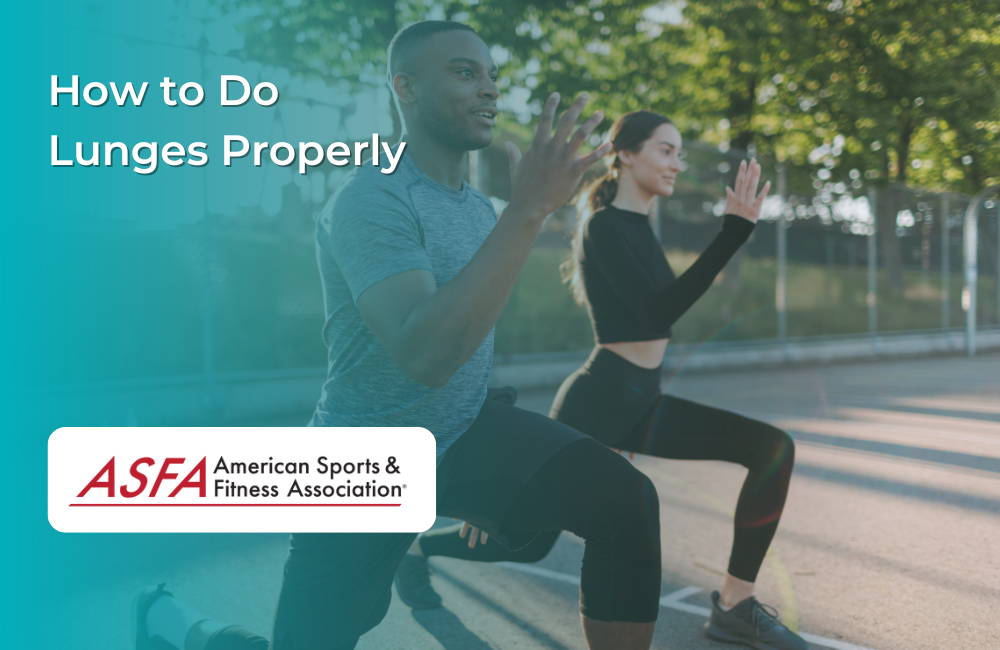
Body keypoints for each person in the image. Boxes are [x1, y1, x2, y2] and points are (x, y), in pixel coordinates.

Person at [131, 22, 666, 650]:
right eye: (465, 73)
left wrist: (494, 481)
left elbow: (468, 339)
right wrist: (529, 210)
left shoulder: (475, 208)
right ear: (404, 87)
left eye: (492, 75)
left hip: (460, 435)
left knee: (626, 502)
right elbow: (425, 353)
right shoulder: (369, 198)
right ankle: (175, 626)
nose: (489, 88)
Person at [396, 111, 808, 650]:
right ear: (626, 154)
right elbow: (657, 313)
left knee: (771, 448)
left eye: (680, 152)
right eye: (666, 150)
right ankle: (414, 551)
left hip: (644, 399)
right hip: (600, 398)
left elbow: (659, 314)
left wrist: (732, 233)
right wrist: (731, 234)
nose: (676, 163)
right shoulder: (604, 226)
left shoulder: (639, 228)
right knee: (523, 544)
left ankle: (734, 604)